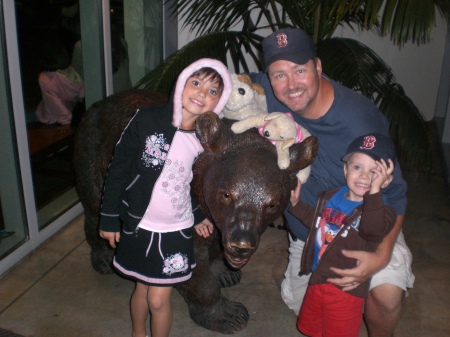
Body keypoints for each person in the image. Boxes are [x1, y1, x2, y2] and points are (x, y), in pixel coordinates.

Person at [249, 28, 414, 336]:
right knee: (310, 313)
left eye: (300, 70)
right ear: (268, 77)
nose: (291, 84)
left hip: (365, 226)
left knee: (386, 295)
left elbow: (396, 194)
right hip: (311, 232)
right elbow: (220, 84)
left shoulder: (359, 120)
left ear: (319, 67)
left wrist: (379, 256)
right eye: (279, 74)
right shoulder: (269, 92)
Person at [98, 58, 232, 337]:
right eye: (196, 83)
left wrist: (196, 214)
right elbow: (119, 168)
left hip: (175, 230)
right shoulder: (147, 119)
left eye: (212, 91)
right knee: (142, 288)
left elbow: (189, 182)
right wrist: (109, 217)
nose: (201, 94)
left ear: (219, 102)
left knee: (158, 299)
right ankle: (138, 334)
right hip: (139, 224)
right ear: (181, 83)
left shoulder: (205, 140)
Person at [290, 133, 397, 337]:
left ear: (386, 180)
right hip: (318, 278)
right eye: (357, 167)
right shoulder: (330, 197)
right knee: (313, 328)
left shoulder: (383, 213)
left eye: (375, 172)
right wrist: (296, 206)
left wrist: (374, 193)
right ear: (346, 169)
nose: (365, 176)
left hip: (345, 290)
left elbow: (372, 232)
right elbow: (318, 223)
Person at [35, 39, 84, 126]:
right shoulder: (71, 71)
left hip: (53, 118)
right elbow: (81, 92)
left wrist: (66, 121)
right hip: (71, 111)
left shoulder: (45, 78)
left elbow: (54, 103)